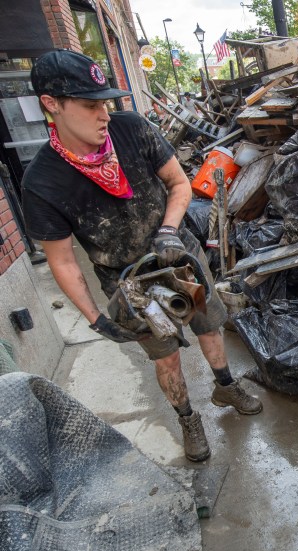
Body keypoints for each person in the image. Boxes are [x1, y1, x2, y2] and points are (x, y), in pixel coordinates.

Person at [21, 49, 261, 462]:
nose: (105, 115)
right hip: (129, 281)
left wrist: (168, 232)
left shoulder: (131, 129)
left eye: (106, 103)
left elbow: (179, 184)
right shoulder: (42, 182)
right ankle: (188, 418)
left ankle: (225, 386)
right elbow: (62, 261)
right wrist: (96, 319)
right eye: (91, 105)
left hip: (177, 256)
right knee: (165, 354)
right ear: (51, 104)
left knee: (209, 325)